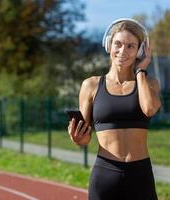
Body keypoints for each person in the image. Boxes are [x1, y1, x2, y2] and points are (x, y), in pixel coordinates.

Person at [68, 18, 161, 200]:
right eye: (118, 44)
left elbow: (149, 109)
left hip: (140, 174)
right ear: (109, 45)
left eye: (131, 46)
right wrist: (78, 138)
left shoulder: (149, 84)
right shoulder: (91, 85)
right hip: (105, 173)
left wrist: (140, 71)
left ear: (140, 51)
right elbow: (84, 138)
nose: (122, 51)